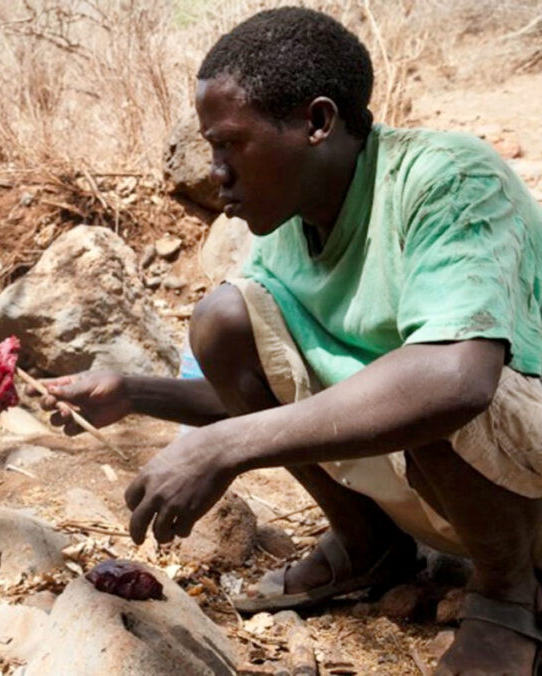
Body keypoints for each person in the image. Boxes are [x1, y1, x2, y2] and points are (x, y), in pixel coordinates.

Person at [33, 6, 542, 674]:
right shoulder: (291, 234)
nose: (214, 170)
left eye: (229, 144)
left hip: (519, 473)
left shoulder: (446, 180)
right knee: (225, 321)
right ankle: (372, 548)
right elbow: (275, 403)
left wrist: (226, 450)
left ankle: (509, 598)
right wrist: (132, 393)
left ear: (317, 122)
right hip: (444, 469)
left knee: (418, 375)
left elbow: (456, 381)